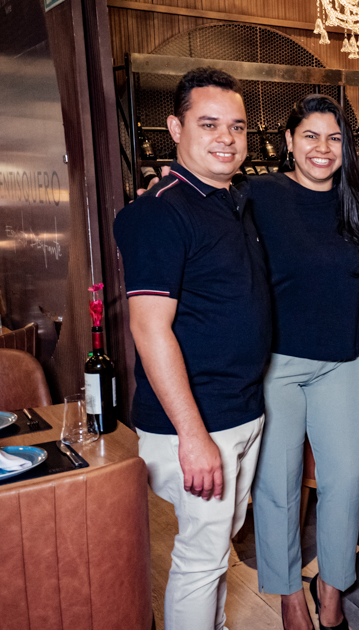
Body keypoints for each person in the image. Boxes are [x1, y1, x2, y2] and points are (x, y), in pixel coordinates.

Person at [114, 67, 270, 630]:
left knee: (218, 544)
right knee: (202, 558)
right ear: (176, 129)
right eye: (209, 124)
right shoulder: (160, 211)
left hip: (240, 409)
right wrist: (193, 435)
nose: (226, 137)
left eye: (237, 126)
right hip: (198, 421)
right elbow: (149, 329)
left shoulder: (233, 200)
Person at [249, 94, 359, 630]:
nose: (322, 148)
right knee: (277, 487)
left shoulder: (356, 204)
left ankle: (331, 588)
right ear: (288, 141)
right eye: (310, 136)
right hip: (277, 365)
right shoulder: (259, 193)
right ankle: (288, 597)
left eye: (334, 138)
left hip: (342, 363)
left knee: (344, 485)